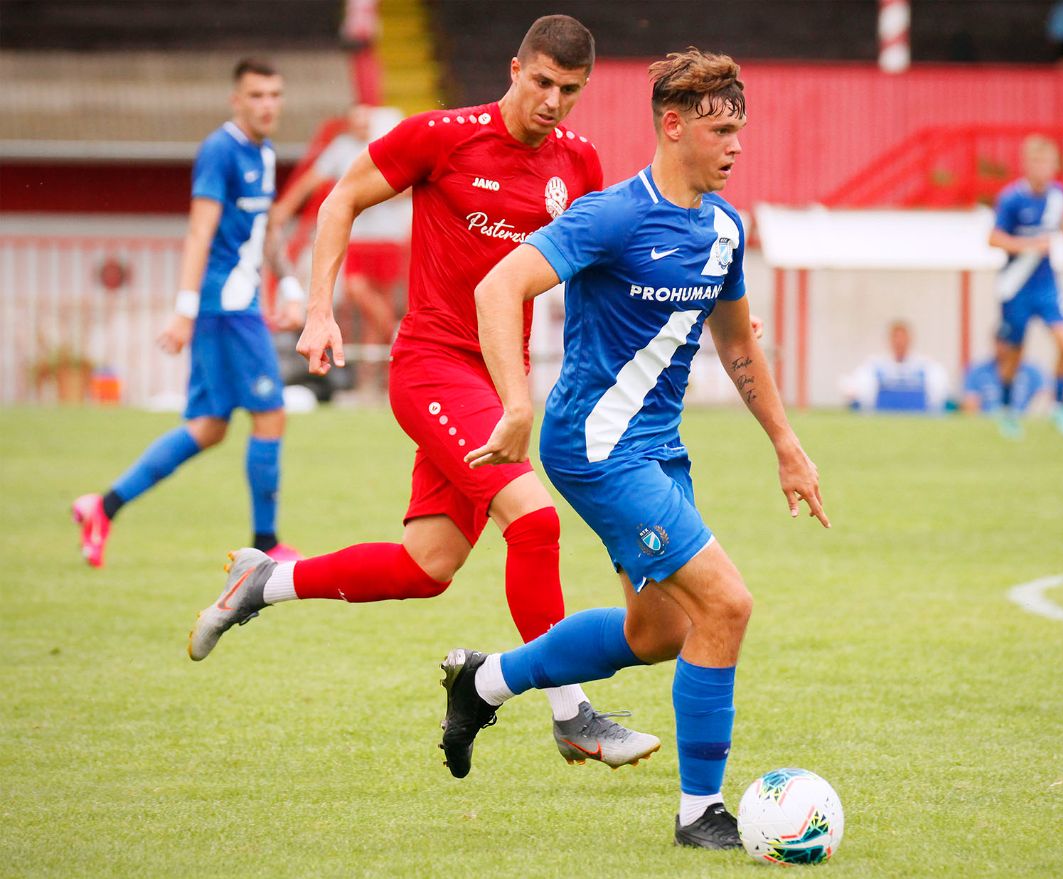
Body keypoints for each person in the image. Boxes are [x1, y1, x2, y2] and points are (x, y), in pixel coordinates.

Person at [186, 16, 659, 769]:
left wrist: (690, 308)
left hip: (497, 380)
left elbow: (603, 264)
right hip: (433, 367)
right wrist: (318, 309)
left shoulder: (578, 161)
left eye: (570, 90)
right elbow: (341, 199)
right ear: (515, 69)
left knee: (426, 566)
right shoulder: (443, 137)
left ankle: (266, 580)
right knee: (534, 522)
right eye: (542, 82)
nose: (553, 102)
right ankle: (572, 714)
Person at [436, 48, 829, 851]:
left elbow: (737, 343)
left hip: (657, 450)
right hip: (596, 447)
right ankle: (700, 812)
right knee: (726, 604)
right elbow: (497, 286)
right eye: (720, 131)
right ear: (672, 126)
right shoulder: (609, 216)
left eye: (739, 131)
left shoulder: (725, 229)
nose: (735, 146)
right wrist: (516, 401)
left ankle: (485, 679)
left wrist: (787, 445)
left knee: (659, 633)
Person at [71, 58, 304, 568]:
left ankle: (103, 507)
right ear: (236, 100)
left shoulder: (263, 153)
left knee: (209, 426)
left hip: (238, 304)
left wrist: (289, 286)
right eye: (257, 95)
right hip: (226, 307)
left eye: (275, 95)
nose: (267, 104)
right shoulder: (220, 150)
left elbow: (265, 230)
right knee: (270, 413)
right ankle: (266, 545)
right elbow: (199, 231)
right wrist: (184, 309)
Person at [271, 103, 411, 396]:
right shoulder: (343, 149)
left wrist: (368, 195)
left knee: (374, 313)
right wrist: (284, 208)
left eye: (366, 120)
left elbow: (407, 188)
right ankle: (399, 336)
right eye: (356, 120)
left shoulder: (385, 146)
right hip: (358, 238)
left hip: (387, 237)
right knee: (358, 291)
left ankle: (371, 378)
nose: (361, 125)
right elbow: (311, 180)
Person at [989, 135, 1063, 441]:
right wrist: (1029, 245)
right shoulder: (1011, 199)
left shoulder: (1058, 196)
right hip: (1017, 285)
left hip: (1046, 284)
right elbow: (993, 239)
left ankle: (1059, 407)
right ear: (1027, 165)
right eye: (1037, 162)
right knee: (1014, 354)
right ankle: (1007, 412)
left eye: (1047, 163)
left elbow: (1062, 221)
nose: (1042, 168)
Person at [839, 320, 949, 413]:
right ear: (889, 340)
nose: (899, 342)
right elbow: (852, 389)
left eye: (903, 337)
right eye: (896, 337)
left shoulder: (927, 367)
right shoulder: (874, 366)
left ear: (910, 339)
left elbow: (939, 397)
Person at [962, 335, 1047, 414]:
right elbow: (969, 403)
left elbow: (1043, 399)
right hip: (988, 419)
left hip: (1023, 418)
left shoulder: (1033, 372)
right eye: (1001, 342)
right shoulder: (978, 371)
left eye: (1009, 344)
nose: (1004, 348)